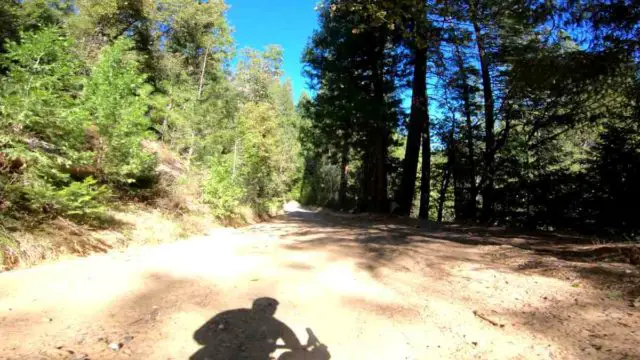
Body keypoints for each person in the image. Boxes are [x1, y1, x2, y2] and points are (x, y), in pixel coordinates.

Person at [190, 297, 303, 360]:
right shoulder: (278, 326)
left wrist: (220, 341)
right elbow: (296, 347)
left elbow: (199, 336)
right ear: (272, 310)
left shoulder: (230, 315)